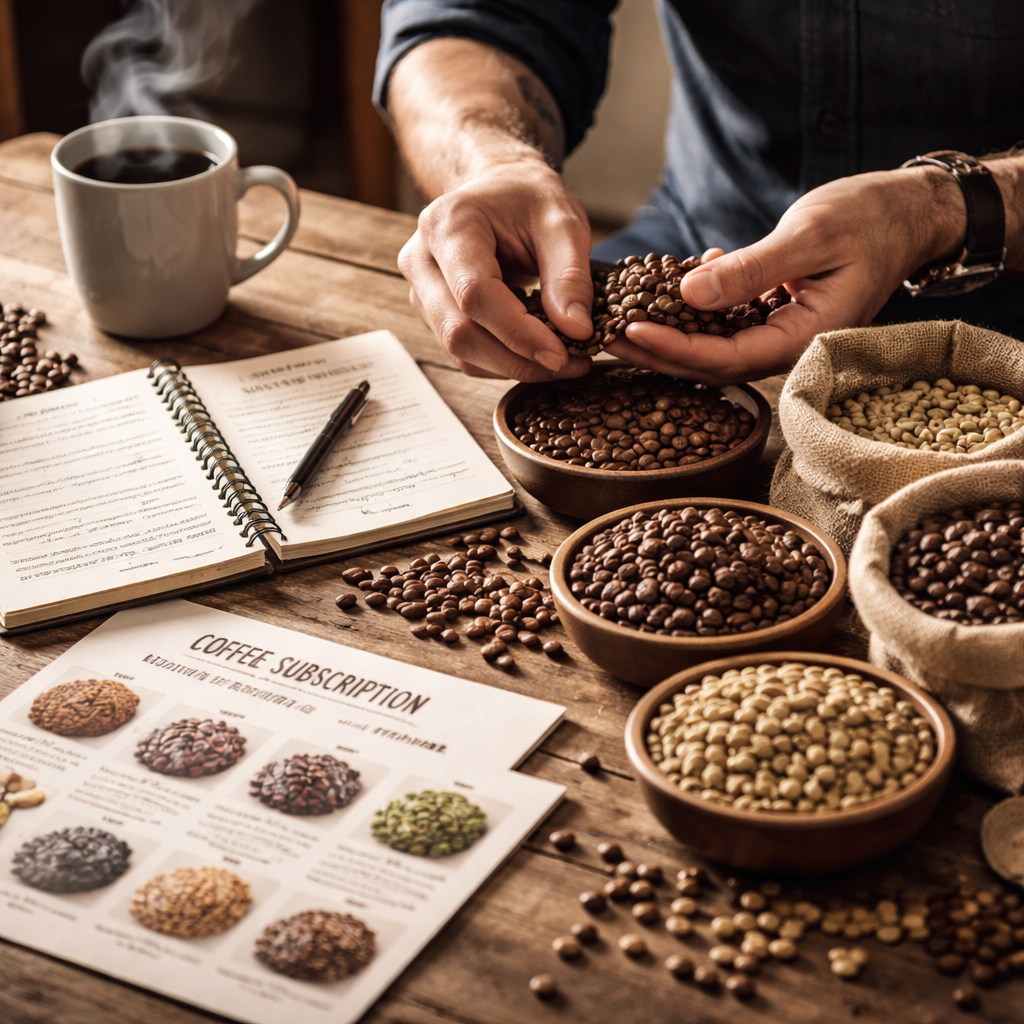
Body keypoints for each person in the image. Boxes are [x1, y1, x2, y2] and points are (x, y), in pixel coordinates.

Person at [373, 0, 1024, 385]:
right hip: (699, 261)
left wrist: (941, 209)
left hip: (1002, 295)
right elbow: (477, 17)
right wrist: (489, 159)